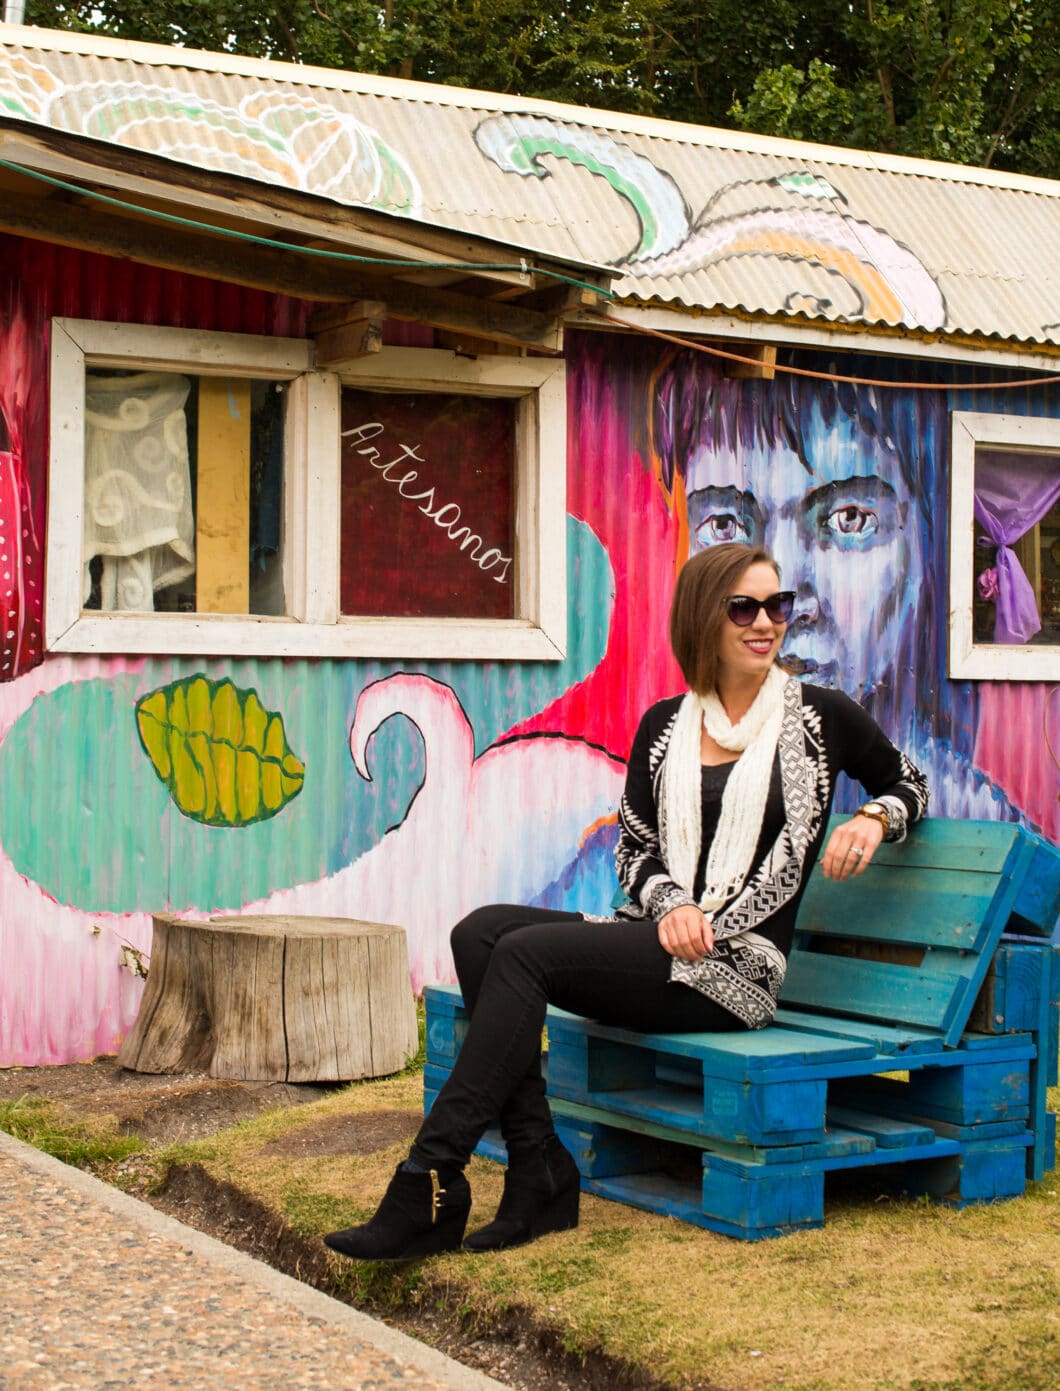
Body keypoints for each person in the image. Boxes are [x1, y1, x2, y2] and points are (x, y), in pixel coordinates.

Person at [324, 542, 928, 1263]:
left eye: (778, 606)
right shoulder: (665, 726)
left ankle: (430, 1177)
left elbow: (908, 782)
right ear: (705, 618)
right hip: (657, 939)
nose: (766, 622)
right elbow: (635, 849)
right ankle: (539, 1165)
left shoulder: (818, 719)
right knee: (479, 932)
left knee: (522, 955)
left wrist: (873, 817)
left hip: (735, 970)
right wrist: (670, 901)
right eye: (745, 607)